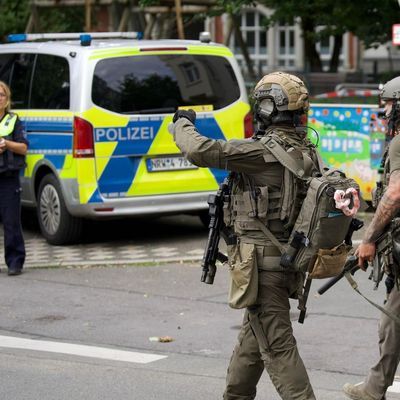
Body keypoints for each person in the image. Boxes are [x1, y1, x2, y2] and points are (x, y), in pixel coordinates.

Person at [170, 72, 317, 399]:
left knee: (278, 349)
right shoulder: (305, 151)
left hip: (261, 268)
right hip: (285, 261)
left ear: (266, 107)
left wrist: (182, 122)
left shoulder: (261, 152)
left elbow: (200, 151)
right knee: (252, 344)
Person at [343, 76, 400, 400]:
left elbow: (394, 193)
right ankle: (375, 386)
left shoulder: (399, 142)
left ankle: (374, 388)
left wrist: (368, 237)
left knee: (392, 320)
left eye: (389, 105)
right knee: (393, 321)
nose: (385, 112)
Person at [0, 81, 28, 276]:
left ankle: (15, 262)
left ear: (7, 99)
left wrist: (6, 144)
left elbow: (24, 148)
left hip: (8, 177)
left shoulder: (13, 120)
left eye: (1, 95)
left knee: (11, 221)